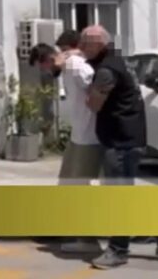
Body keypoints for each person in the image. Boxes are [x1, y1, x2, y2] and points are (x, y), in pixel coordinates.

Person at [79, 25, 158, 269]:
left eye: (85, 43)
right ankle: (157, 228)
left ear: (98, 44)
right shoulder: (120, 62)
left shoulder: (107, 70)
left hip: (120, 141)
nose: (82, 48)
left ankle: (118, 250)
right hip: (129, 137)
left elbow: (94, 104)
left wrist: (88, 93)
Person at [32, 30, 103, 255]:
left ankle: (87, 239)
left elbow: (99, 84)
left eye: (43, 67)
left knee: (79, 188)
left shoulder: (74, 66)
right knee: (67, 184)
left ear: (49, 59)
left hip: (89, 138)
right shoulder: (68, 67)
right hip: (78, 136)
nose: (45, 72)